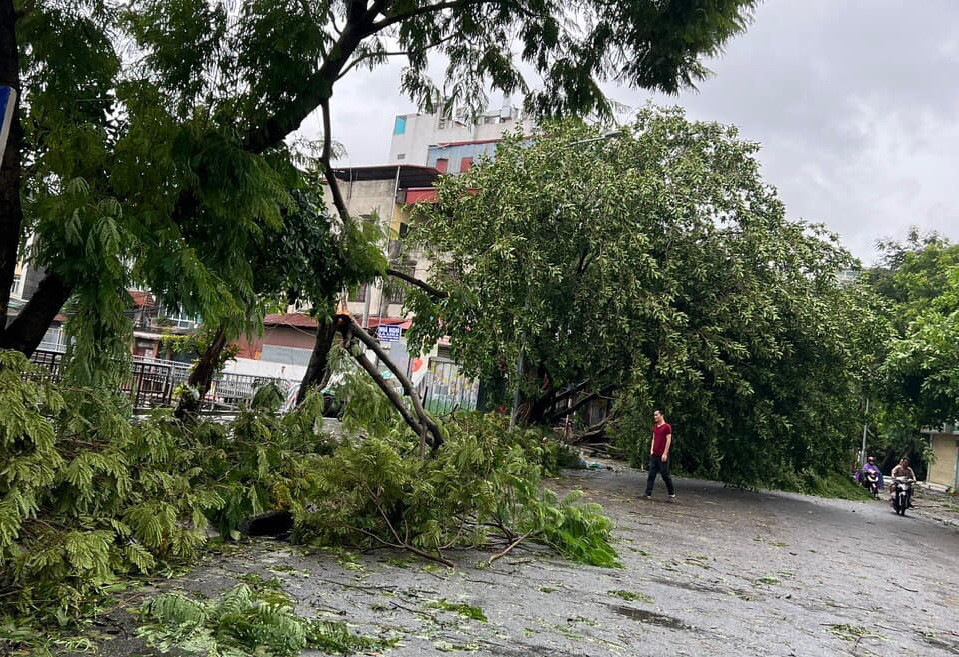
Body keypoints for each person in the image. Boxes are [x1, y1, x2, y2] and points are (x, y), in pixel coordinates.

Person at [644, 409, 675, 499]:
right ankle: (648, 493)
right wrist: (651, 450)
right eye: (654, 415)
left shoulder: (667, 427)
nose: (655, 417)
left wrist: (665, 453)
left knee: (665, 475)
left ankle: (671, 492)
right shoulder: (655, 427)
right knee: (651, 474)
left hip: (662, 456)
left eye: (656, 415)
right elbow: (653, 438)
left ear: (662, 415)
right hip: (654, 455)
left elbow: (668, 440)